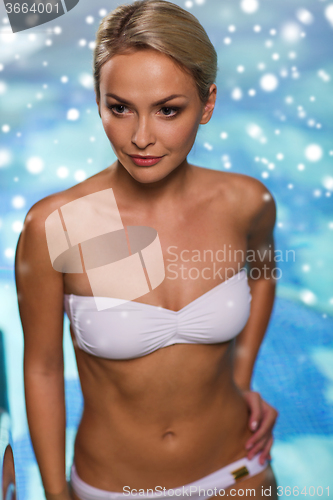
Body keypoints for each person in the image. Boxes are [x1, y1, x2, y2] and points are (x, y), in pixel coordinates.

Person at [15, 1, 279, 499]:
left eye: (168, 110)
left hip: (239, 473)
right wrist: (55, 493)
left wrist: (241, 381)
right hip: (114, 487)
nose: (141, 137)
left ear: (208, 104)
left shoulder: (247, 202)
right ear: (97, 101)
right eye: (119, 108)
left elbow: (264, 274)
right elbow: (43, 368)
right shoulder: (55, 226)